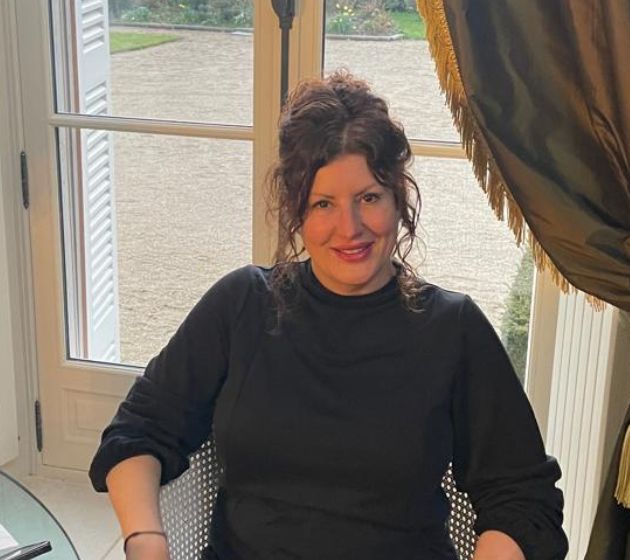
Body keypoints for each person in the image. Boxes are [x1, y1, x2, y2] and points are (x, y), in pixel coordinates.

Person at [89, 71, 568, 560]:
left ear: (399, 199)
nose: (350, 228)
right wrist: (146, 541)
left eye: (369, 198)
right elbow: (140, 430)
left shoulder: (453, 329)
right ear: (296, 211)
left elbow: (523, 497)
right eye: (323, 204)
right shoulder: (242, 304)